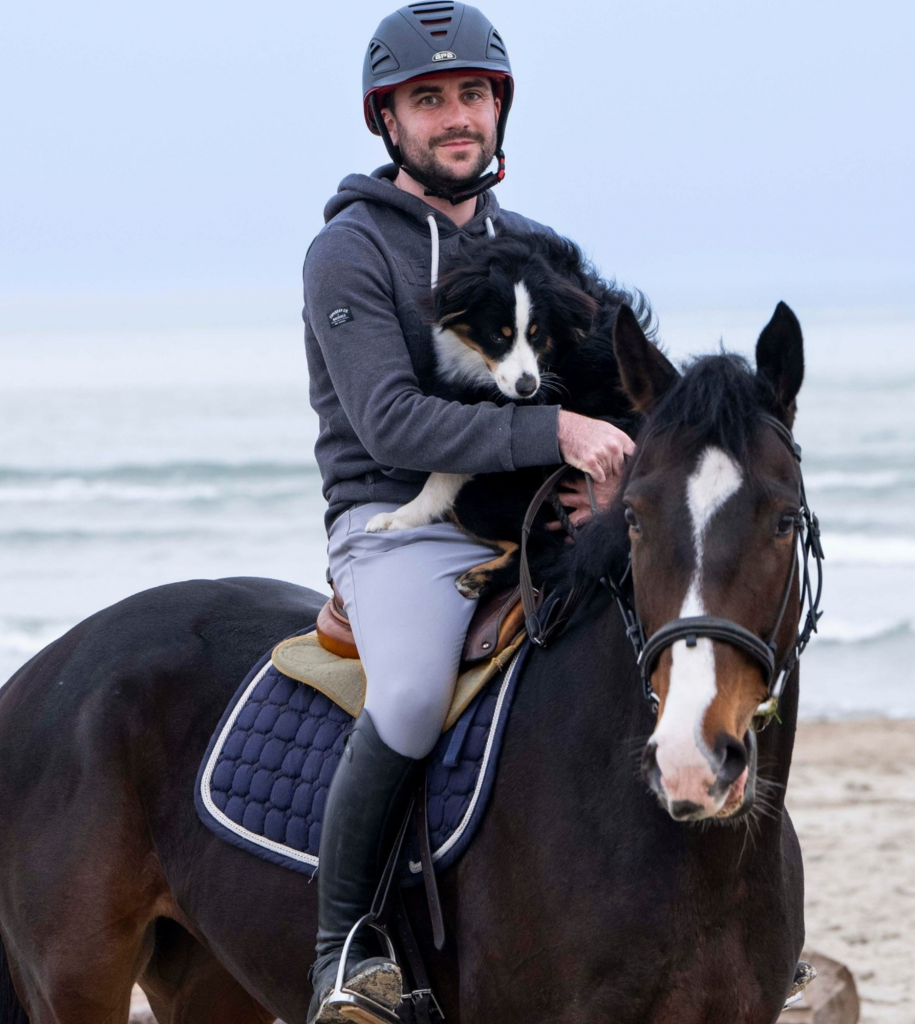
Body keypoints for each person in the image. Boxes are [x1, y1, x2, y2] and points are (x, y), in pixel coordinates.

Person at [302, 5, 635, 1021]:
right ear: (388, 120)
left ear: (499, 107)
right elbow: (392, 421)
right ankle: (342, 946)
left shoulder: (538, 247)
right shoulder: (349, 252)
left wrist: (619, 470)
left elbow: (614, 372)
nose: (457, 115)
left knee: (674, 639)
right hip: (399, 521)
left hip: (537, 513)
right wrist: (557, 437)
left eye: (473, 93)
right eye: (429, 98)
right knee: (406, 695)